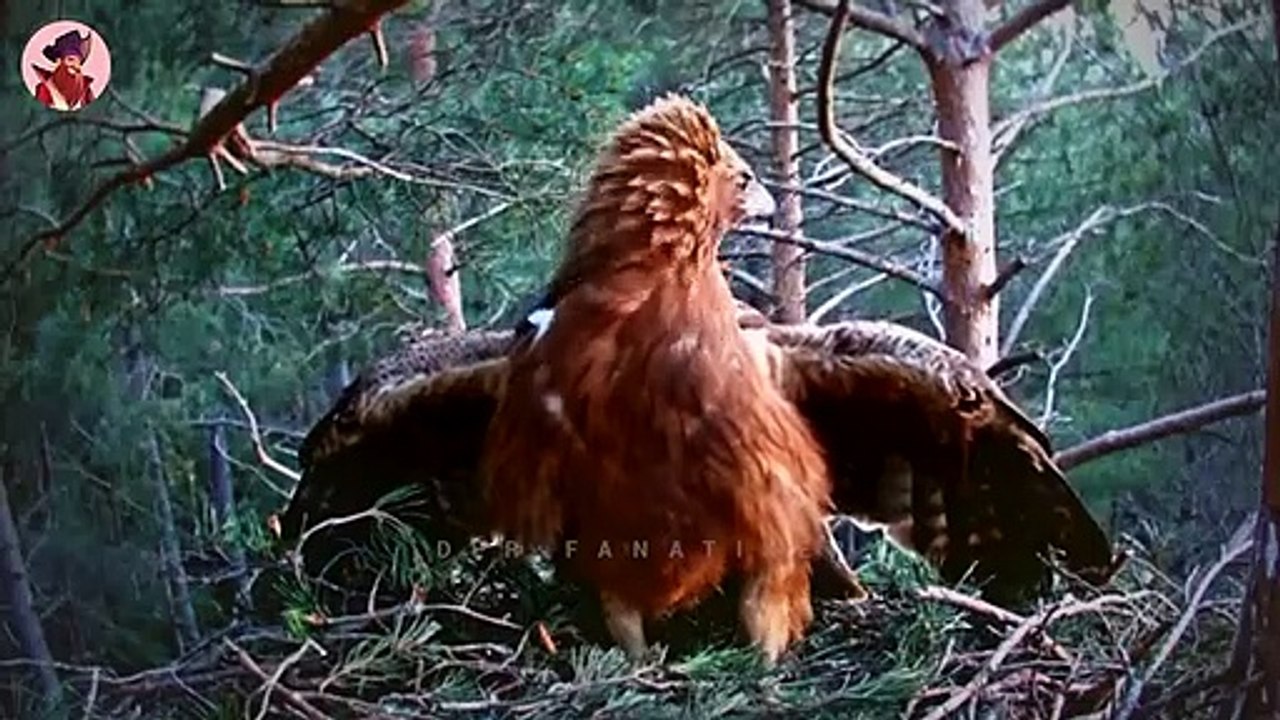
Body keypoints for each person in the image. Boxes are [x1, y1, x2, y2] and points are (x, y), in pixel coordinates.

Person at [32, 29, 97, 111]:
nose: (76, 66)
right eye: (70, 59)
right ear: (59, 61)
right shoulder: (44, 89)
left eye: (79, 62)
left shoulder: (86, 89)